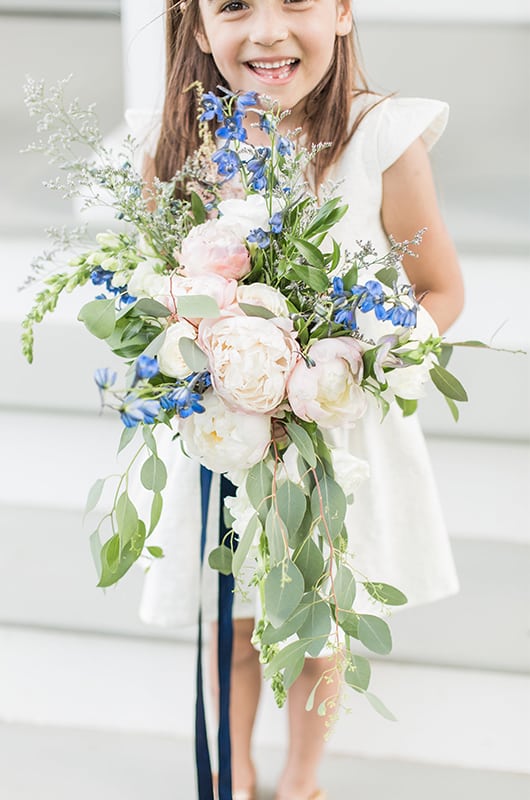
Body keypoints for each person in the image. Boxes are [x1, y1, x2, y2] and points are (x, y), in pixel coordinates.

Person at [134, 1, 465, 798]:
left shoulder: (379, 138)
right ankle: (233, 777)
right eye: (236, 5)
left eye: (297, 1)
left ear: (344, 12)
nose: (269, 30)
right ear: (198, 22)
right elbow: (157, 293)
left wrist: (359, 357)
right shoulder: (181, 147)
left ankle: (302, 782)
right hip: (228, 435)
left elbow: (440, 290)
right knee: (235, 622)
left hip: (334, 434)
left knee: (317, 618)